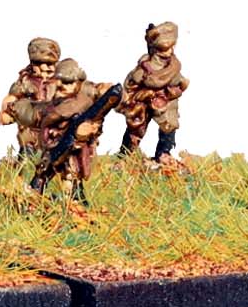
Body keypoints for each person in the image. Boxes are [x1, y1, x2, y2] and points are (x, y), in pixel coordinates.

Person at [28, 59, 117, 200]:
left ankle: (75, 201)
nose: (61, 86)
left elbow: (96, 121)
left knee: (72, 174)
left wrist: (89, 131)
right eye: (59, 81)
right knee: (44, 170)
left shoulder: (84, 100)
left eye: (67, 82)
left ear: (78, 83)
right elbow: (45, 121)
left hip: (75, 147)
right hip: (55, 143)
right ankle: (34, 194)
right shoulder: (54, 101)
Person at [117, 22, 189, 164]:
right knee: (136, 126)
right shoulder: (146, 65)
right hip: (144, 99)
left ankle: (163, 153)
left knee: (169, 125)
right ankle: (125, 155)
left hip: (165, 101)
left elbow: (179, 81)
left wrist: (177, 89)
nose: (169, 51)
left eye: (172, 47)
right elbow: (134, 80)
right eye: (165, 48)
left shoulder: (173, 65)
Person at [0, 37, 62, 156]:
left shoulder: (61, 82)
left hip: (54, 130)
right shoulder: (26, 81)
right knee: (28, 154)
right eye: (39, 63)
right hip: (30, 131)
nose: (44, 68)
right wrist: (7, 112)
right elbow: (11, 98)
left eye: (50, 64)